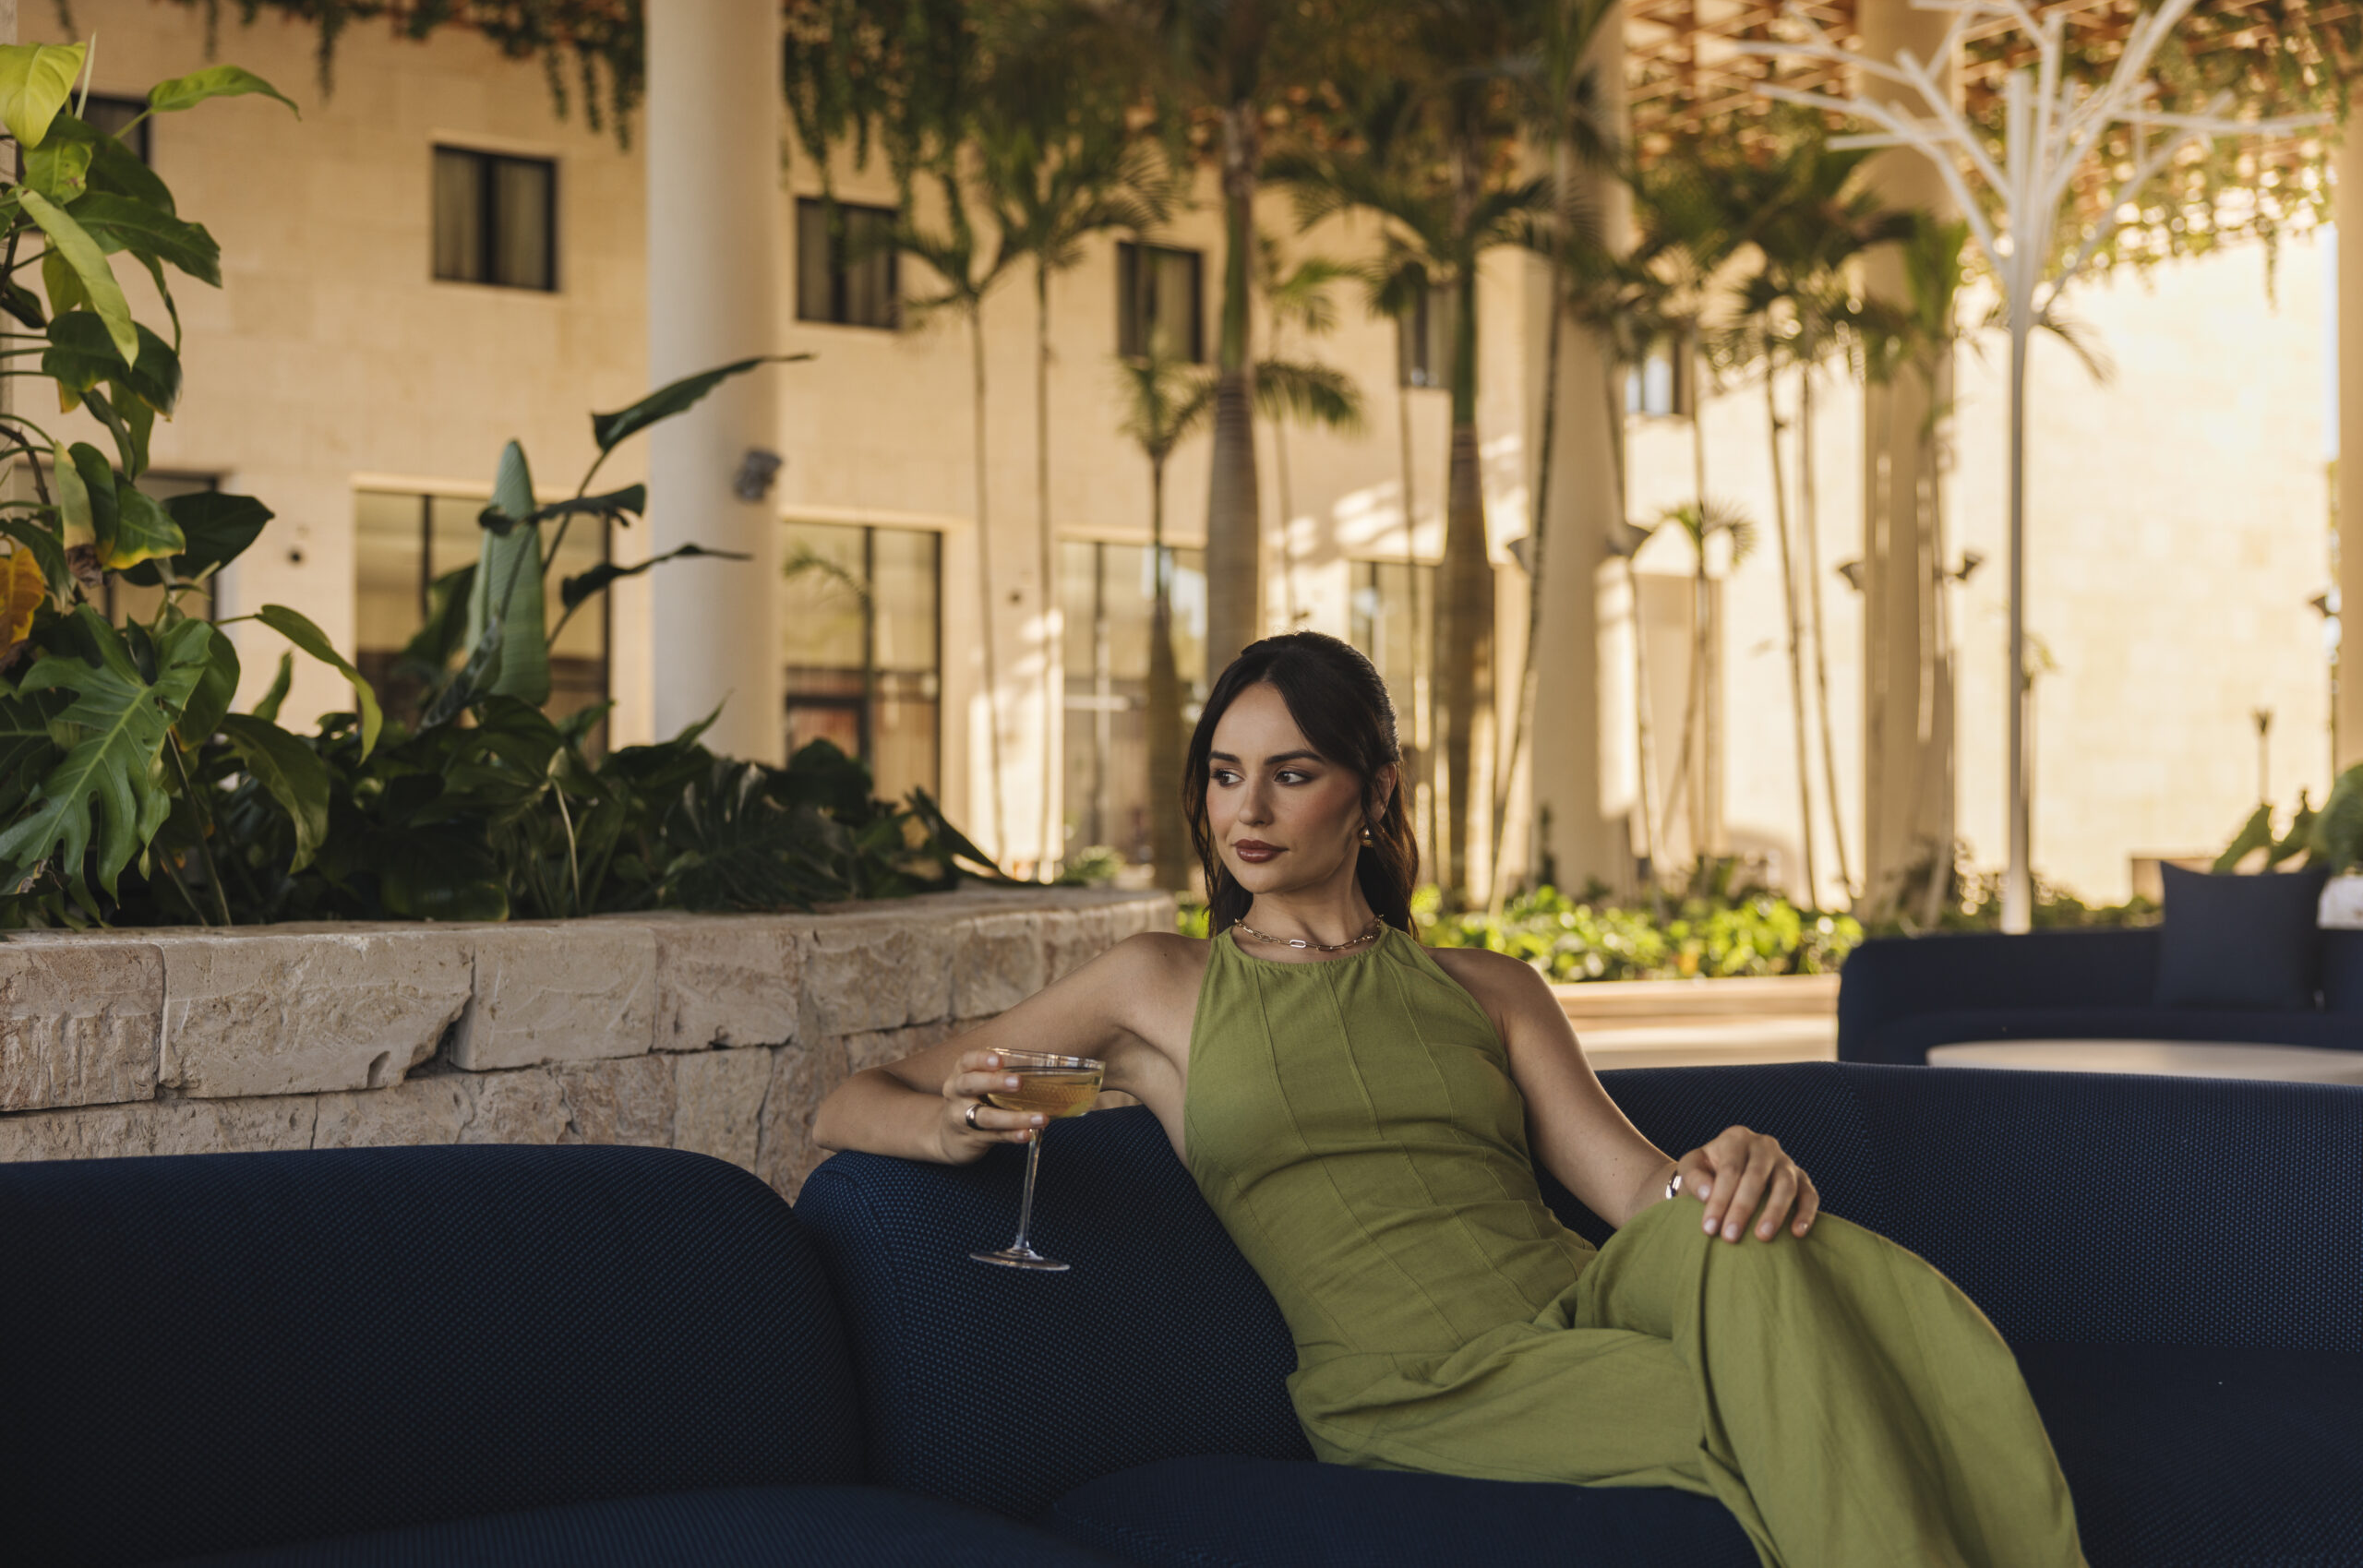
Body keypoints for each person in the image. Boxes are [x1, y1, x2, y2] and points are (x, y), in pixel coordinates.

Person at [812, 631, 2085, 1568]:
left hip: (1581, 1300)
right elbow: (851, 1099)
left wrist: (1736, 1159)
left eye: (1292, 774)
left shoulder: (1490, 990)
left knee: (1746, 1244)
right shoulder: (1159, 990)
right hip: (1413, 1380)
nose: (1245, 810)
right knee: (1809, 1401)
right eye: (1223, 774)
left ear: (1371, 794)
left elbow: (1638, 1194)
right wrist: (938, 1129)